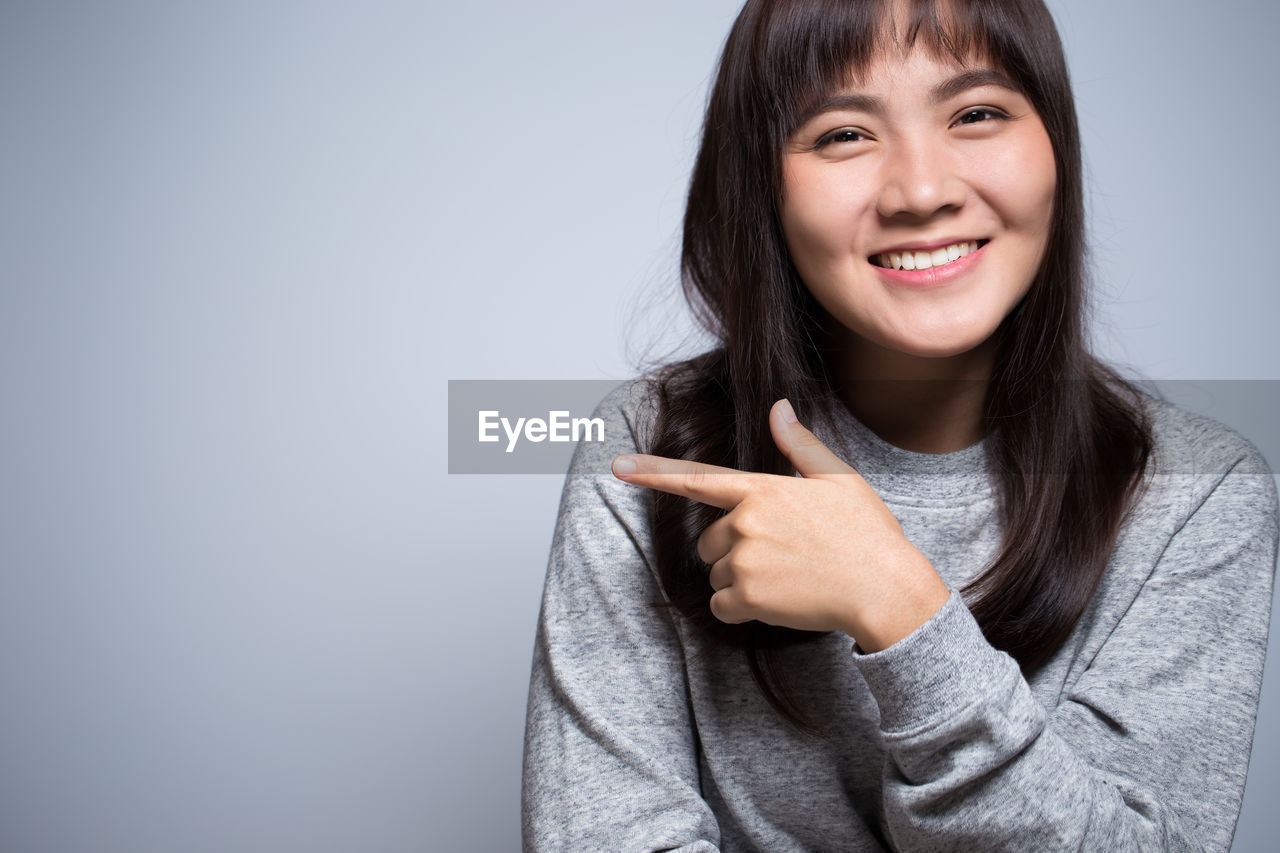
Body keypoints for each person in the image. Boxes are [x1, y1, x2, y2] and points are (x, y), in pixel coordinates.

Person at [521, 0, 1279, 849]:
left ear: (1056, 146)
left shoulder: (1198, 490)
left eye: (978, 113)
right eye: (843, 134)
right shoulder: (647, 449)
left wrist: (899, 604)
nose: (922, 191)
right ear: (761, 185)